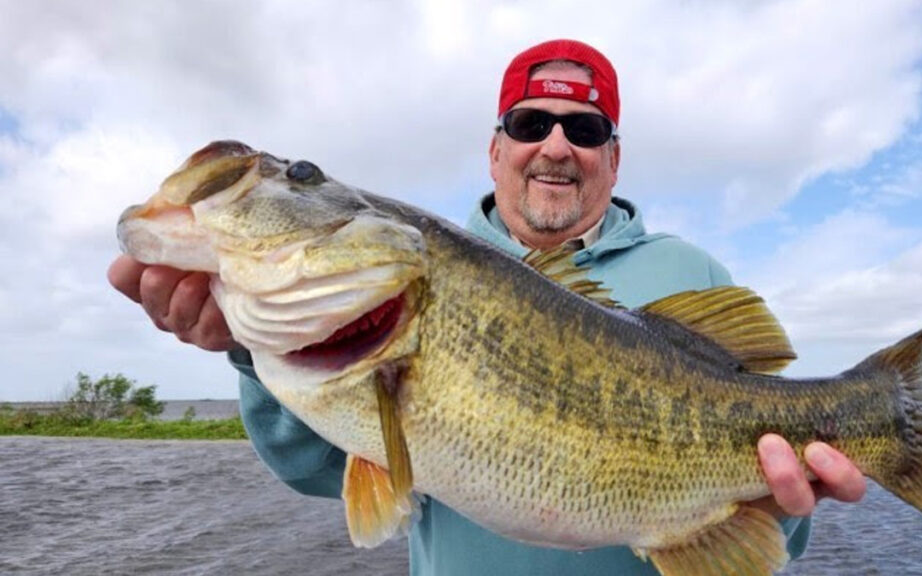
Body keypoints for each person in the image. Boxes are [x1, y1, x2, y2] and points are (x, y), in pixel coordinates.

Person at [109, 39, 866, 575]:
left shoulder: (689, 273)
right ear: (497, 149)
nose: (557, 146)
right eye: (532, 125)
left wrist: (790, 507)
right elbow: (317, 470)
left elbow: (774, 544)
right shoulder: (425, 272)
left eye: (587, 129)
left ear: (614, 156)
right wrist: (248, 349)